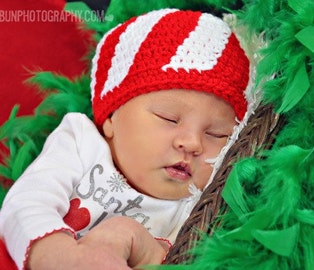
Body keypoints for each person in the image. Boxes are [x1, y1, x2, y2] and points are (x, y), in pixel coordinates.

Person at [0, 8, 254, 269]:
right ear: (111, 118)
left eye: (216, 134)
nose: (192, 143)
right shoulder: (81, 142)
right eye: (169, 118)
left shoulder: (197, 207)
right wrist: (57, 255)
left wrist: (147, 251)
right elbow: (26, 202)